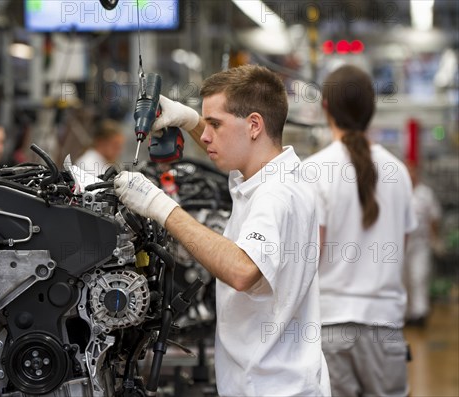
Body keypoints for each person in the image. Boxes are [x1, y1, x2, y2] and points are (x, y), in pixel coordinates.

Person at [114, 65, 330, 396]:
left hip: (272, 387)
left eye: (215, 124)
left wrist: (159, 206)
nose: (206, 136)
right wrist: (188, 119)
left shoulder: (275, 195)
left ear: (254, 125)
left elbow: (243, 270)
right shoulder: (270, 173)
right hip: (273, 378)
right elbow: (231, 148)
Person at [302, 64, 417, 396]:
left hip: (330, 327)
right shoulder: (398, 172)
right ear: (372, 109)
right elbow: (402, 247)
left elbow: (311, 257)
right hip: (386, 328)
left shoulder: (313, 172)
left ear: (326, 107)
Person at [404, 162, 442, 326]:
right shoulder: (400, 191)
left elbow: (434, 217)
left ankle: (420, 313)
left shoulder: (426, 193)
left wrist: (435, 239)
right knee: (403, 279)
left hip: (421, 244)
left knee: (419, 276)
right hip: (401, 245)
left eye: (413, 172)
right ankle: (406, 313)